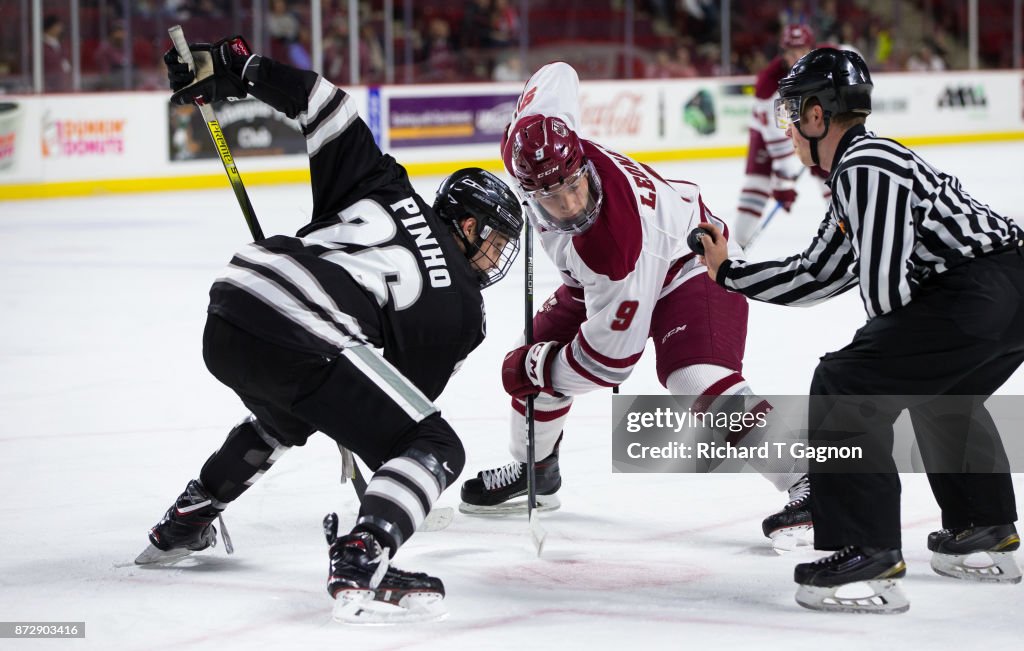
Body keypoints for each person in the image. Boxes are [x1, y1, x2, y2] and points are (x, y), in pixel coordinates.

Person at [135, 35, 524, 624]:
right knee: (437, 447)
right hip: (311, 321)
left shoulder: (385, 183)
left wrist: (238, 69)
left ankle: (190, 514)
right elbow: (397, 422)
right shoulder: (466, 312)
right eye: (493, 240)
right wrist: (384, 492)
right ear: (466, 224)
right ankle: (365, 549)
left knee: (285, 414)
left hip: (235, 305)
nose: (495, 258)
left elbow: (324, 100)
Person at [698, 47, 1022, 613]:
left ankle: (866, 552)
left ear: (819, 115)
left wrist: (875, 373)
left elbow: (884, 291)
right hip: (1006, 290)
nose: (790, 130)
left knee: (845, 383)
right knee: (943, 391)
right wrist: (730, 273)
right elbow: (819, 272)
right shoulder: (863, 169)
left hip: (983, 290)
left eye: (793, 113)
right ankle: (983, 532)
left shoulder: (865, 165)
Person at [458, 61, 812, 552]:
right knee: (532, 349)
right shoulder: (535, 139)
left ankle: (809, 479)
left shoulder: (613, 249)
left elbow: (609, 363)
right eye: (552, 198)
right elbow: (559, 72)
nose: (571, 207)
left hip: (690, 262)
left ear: (582, 162)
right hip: (598, 278)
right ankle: (535, 468)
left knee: (694, 377)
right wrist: (537, 360)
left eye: (575, 187)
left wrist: (540, 369)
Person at [734, 24, 827, 250]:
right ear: (781, 53)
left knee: (831, 173)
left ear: (811, 49)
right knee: (757, 183)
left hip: (811, 123)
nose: (795, 58)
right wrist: (783, 181)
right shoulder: (769, 87)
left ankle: (849, 228)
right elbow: (780, 139)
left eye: (801, 50)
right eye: (789, 52)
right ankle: (736, 246)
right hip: (767, 131)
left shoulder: (828, 62)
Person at [42, 14, 72, 92]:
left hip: (63, 83)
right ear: (51, 27)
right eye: (58, 26)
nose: (61, 28)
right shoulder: (40, 46)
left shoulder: (60, 43)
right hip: (49, 85)